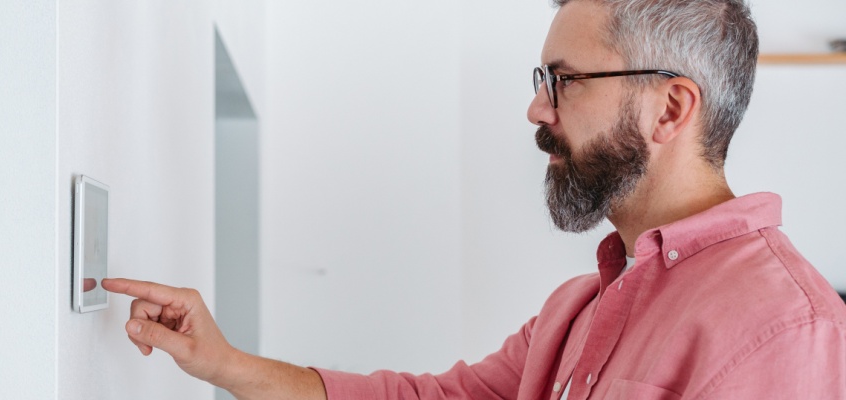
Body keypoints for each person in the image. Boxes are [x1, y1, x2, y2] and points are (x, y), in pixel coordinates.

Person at [103, 0, 846, 398]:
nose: (538, 110)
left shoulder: (786, 327)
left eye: (565, 81)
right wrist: (225, 363)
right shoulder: (577, 309)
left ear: (671, 110)